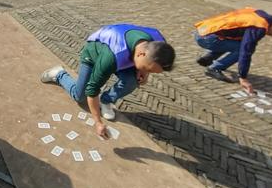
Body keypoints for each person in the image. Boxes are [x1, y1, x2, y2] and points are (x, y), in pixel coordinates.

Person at [40, 23, 175, 138]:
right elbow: (92, 91)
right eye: (148, 69)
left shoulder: (159, 44)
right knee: (80, 96)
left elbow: (149, 63)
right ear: (141, 54)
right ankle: (59, 74)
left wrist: (144, 72)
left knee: (133, 81)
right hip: (95, 53)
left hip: (125, 57)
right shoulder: (111, 57)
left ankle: (106, 100)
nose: (148, 73)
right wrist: (98, 122)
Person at [194, 8, 272, 94]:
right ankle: (215, 68)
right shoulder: (260, 27)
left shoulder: (260, 13)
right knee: (241, 49)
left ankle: (208, 58)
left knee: (238, 41)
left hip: (204, 30)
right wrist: (243, 78)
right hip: (206, 38)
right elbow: (246, 51)